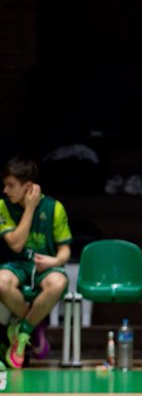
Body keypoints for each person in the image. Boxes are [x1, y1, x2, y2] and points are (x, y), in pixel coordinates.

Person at [0, 157, 71, 368]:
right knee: (0, 282)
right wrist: (29, 209)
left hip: (46, 267)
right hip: (17, 264)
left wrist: (55, 260)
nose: (5, 190)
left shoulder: (54, 208)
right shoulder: (3, 207)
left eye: (11, 185)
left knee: (58, 282)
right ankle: (34, 326)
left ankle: (22, 333)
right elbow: (16, 244)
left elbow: (65, 249)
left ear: (28, 186)